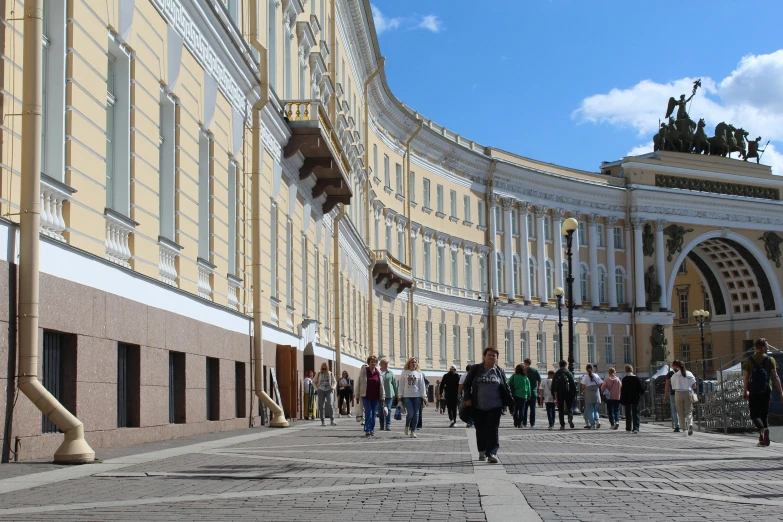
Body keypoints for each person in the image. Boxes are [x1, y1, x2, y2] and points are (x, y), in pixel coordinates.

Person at [462, 347, 514, 464]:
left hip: (495, 406)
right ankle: (482, 451)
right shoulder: (476, 369)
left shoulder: (499, 371)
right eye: (489, 355)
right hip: (478, 405)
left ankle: (492, 453)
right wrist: (468, 398)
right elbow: (466, 385)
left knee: (493, 430)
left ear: (497, 358)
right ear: (484, 356)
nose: (491, 357)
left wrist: (511, 405)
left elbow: (506, 388)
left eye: (494, 356)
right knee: (480, 429)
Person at [742, 338, 783, 447]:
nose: (768, 347)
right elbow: (776, 377)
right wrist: (781, 392)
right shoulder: (770, 359)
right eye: (767, 345)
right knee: (764, 415)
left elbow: (746, 377)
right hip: (766, 390)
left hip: (754, 391)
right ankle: (763, 439)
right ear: (763, 347)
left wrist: (744, 391)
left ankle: (762, 431)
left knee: (755, 415)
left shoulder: (749, 360)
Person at [356, 355, 385, 436]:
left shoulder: (378, 372)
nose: (373, 363)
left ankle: (371, 429)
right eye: (372, 361)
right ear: (368, 362)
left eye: (375, 361)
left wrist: (383, 397)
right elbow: (359, 382)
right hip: (366, 395)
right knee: (369, 412)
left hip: (375, 396)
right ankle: (367, 429)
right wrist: (357, 395)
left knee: (374, 413)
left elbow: (381, 385)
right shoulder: (364, 371)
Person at [399, 357, 428, 438]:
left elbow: (422, 386)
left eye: (415, 362)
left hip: (417, 396)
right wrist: (400, 395)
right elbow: (401, 385)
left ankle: (413, 431)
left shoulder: (419, 373)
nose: (413, 363)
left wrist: (424, 397)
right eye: (412, 362)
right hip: (407, 396)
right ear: (409, 363)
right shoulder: (404, 372)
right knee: (411, 413)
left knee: (416, 414)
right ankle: (407, 424)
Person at [670, 359, 697, 437]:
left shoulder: (674, 375)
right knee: (688, 411)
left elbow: (672, 386)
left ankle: (684, 430)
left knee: (680, 413)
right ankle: (690, 424)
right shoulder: (689, 373)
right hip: (687, 393)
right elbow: (694, 386)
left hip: (678, 393)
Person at [552, 360, 576, 430]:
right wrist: (574, 394)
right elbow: (573, 384)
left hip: (560, 393)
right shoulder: (568, 373)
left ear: (559, 365)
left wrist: (553, 395)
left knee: (560, 409)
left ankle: (562, 424)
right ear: (565, 365)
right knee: (570, 407)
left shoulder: (556, 373)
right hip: (568, 392)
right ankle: (570, 418)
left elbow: (553, 385)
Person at [620, 365, 644, 433]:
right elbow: (641, 389)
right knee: (635, 413)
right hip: (635, 398)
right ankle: (636, 428)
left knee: (628, 413)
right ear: (632, 370)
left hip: (627, 398)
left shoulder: (624, 379)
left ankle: (628, 428)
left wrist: (622, 400)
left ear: (626, 370)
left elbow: (623, 390)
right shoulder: (636, 378)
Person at [377, 359, 398, 431]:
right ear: (381, 365)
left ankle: (388, 425)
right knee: (380, 411)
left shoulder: (390, 373)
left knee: (388, 410)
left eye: (387, 364)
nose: (386, 365)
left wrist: (397, 394)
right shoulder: (378, 372)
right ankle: (382, 425)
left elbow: (395, 384)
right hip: (379, 394)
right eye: (385, 364)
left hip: (389, 394)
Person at [580, 364, 603, 429]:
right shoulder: (596, 375)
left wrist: (583, 390)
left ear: (587, 369)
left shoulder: (585, 377)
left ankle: (593, 424)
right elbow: (599, 384)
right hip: (596, 393)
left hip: (589, 394)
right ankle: (598, 421)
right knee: (595, 409)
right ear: (593, 369)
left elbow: (583, 386)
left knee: (590, 410)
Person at [508, 364, 531, 428]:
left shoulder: (513, 376)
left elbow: (508, 384)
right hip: (523, 396)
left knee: (515, 409)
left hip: (514, 395)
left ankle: (516, 422)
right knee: (522, 410)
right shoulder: (525, 378)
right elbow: (529, 388)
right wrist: (529, 395)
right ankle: (520, 423)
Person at [522, 359, 541, 428]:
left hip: (525, 392)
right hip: (533, 392)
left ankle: (524, 423)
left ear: (525, 363)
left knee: (525, 408)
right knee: (532, 409)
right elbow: (539, 379)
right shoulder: (535, 370)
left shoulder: (523, 371)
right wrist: (538, 388)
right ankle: (532, 423)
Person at [664, 363, 680, 432]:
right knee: (682, 410)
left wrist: (665, 395)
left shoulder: (670, 374)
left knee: (674, 410)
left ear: (673, 366)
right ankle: (685, 424)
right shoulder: (682, 372)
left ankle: (677, 426)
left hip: (673, 393)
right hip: (682, 392)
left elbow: (667, 385)